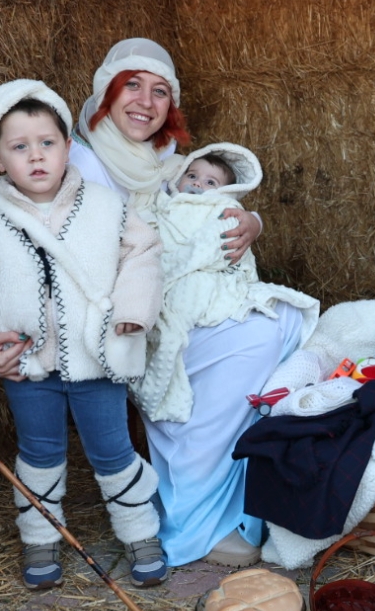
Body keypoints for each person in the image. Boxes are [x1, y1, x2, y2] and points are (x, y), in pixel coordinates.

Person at [0, 41, 316, 569]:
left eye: (160, 91)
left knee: (281, 325)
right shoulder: (77, 160)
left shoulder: (163, 160)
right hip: (116, 309)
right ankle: (197, 511)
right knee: (248, 345)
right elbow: (25, 251)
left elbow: (204, 201)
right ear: (105, 95)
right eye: (131, 85)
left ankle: (241, 498)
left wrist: (252, 223)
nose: (146, 100)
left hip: (167, 290)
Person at [0, 80, 168, 590]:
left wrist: (132, 309)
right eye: (18, 147)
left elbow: (143, 254)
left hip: (97, 361)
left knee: (112, 450)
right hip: (27, 367)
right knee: (39, 451)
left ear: (68, 147)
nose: (36, 157)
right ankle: (40, 537)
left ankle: (140, 531)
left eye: (47, 143)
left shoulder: (106, 207)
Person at [136, 141, 317, 429]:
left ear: (223, 191)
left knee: (283, 317)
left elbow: (222, 240)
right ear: (178, 177)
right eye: (192, 176)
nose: (197, 184)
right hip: (165, 278)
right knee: (172, 321)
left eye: (210, 182)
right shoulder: (163, 204)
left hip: (201, 276)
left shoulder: (223, 208)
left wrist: (251, 220)